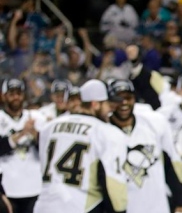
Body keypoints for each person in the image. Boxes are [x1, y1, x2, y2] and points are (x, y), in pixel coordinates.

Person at [34, 79, 128, 213]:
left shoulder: (49, 127)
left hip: (43, 206)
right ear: (95, 104)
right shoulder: (107, 132)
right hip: (81, 207)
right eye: (108, 104)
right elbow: (115, 186)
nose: (110, 110)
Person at [108, 79, 182, 213]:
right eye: (118, 98)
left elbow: (170, 165)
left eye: (128, 97)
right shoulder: (103, 132)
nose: (124, 103)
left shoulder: (152, 124)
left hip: (156, 207)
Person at [0, 79, 46, 213]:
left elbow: (47, 150)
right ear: (3, 96)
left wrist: (36, 135)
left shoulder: (36, 117)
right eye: (11, 93)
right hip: (7, 187)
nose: (16, 97)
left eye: (19, 93)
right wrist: (22, 133)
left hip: (35, 187)